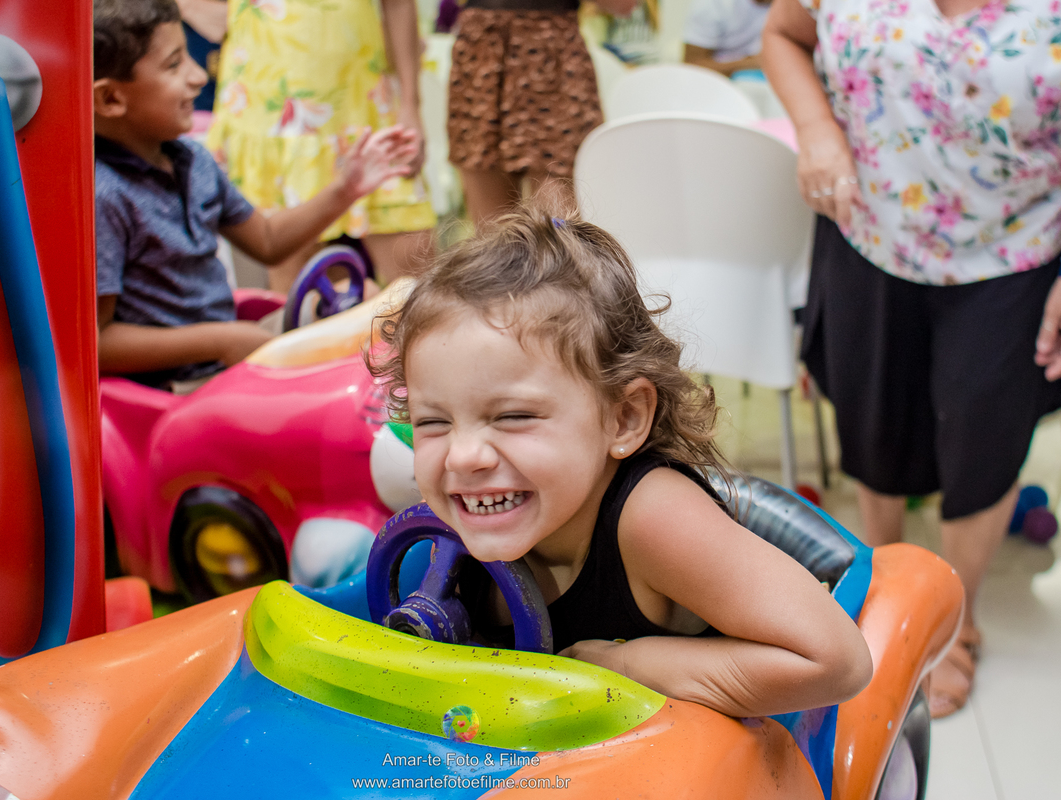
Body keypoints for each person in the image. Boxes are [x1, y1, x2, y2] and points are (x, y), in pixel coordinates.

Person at [367, 210, 873, 717]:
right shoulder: (464, 518)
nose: (463, 455)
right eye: (433, 422)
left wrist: (625, 666)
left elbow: (837, 661)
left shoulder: (655, 521)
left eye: (514, 416)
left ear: (623, 418)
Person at [763, 0, 1061, 717]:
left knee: (981, 446)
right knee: (873, 425)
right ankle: (884, 590)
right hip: (870, 232)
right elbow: (782, 33)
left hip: (1015, 251)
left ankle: (951, 620)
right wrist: (817, 130)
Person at [93, 0, 418, 389]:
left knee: (372, 300)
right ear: (111, 99)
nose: (199, 76)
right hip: (178, 385)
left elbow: (267, 241)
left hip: (230, 350)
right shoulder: (104, 196)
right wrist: (225, 340)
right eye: (174, 65)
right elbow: (98, 343)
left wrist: (347, 187)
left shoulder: (193, 161)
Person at [205, 0, 436, 292]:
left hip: (363, 99)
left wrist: (411, 103)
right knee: (304, 291)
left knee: (418, 281)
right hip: (270, 105)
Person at [446, 0, 637, 228]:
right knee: (493, 234)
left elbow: (623, 4)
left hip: (550, 53)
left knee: (561, 229)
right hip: (484, 50)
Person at [683, 0, 773, 77]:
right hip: (718, 83)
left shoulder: (782, 5)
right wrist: (748, 64)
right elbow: (691, 66)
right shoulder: (713, 4)